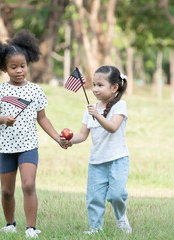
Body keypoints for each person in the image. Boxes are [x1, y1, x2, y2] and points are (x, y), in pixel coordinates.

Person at [0, 29, 65, 239]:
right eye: (14, 67)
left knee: (28, 185)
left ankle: (31, 228)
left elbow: (43, 118)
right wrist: (4, 119)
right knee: (6, 191)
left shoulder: (36, 91)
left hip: (29, 145)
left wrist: (57, 137)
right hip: (6, 147)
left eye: (23, 66)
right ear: (4, 68)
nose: (19, 71)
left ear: (28, 64)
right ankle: (10, 224)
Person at [61, 65, 132, 234]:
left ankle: (121, 217)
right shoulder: (91, 109)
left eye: (100, 85)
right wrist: (70, 140)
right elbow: (83, 134)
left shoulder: (119, 106)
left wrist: (98, 115)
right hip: (96, 162)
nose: (95, 89)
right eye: (94, 85)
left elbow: (113, 127)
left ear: (114, 87)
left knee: (117, 195)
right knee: (94, 198)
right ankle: (95, 228)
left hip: (117, 159)